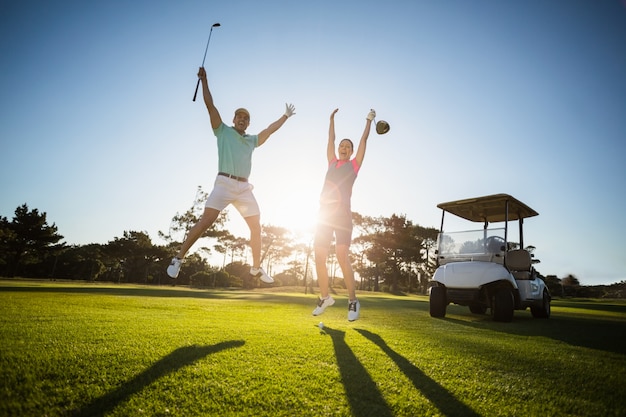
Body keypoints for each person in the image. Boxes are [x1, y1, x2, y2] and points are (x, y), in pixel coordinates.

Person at [167, 67, 296, 283]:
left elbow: (269, 130)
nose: (242, 119)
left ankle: (256, 268)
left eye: (246, 118)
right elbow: (210, 106)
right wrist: (205, 81)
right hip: (224, 184)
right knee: (206, 221)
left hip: (244, 188)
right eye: (239, 116)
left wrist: (285, 116)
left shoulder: (252, 140)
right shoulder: (222, 131)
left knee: (256, 226)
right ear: (234, 119)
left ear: (248, 122)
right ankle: (178, 259)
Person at [312, 108, 375, 321]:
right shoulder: (331, 162)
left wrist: (368, 121)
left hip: (343, 217)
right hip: (324, 215)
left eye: (348, 146)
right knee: (318, 256)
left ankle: (352, 301)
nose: (343, 148)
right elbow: (331, 139)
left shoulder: (354, 166)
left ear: (352, 151)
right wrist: (331, 120)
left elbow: (364, 140)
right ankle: (325, 297)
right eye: (342, 146)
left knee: (341, 255)